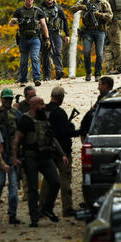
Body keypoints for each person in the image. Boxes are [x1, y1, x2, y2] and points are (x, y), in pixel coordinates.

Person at [12, 96, 69, 227]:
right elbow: (16, 140)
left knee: (55, 182)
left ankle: (47, 209)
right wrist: (15, 158)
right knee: (33, 188)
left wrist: (62, 154)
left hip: (46, 157)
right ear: (34, 106)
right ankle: (34, 217)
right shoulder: (25, 120)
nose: (44, 107)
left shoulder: (44, 119)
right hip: (31, 158)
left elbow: (52, 138)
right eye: (42, 104)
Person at [40, 87, 79, 217]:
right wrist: (78, 132)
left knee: (47, 179)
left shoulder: (43, 110)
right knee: (65, 179)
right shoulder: (60, 113)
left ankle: (42, 208)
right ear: (61, 98)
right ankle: (67, 208)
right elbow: (65, 133)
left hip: (47, 150)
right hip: (62, 151)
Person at [0, 89, 23, 225]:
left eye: (10, 99)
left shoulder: (17, 114)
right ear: (1, 99)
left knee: (13, 188)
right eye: (6, 99)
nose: (8, 101)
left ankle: (12, 214)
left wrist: (20, 156)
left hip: (13, 156)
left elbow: (21, 135)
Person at [70, 0, 113, 82]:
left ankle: (98, 74)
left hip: (100, 31)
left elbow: (110, 16)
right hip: (87, 31)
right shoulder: (85, 1)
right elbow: (72, 9)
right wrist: (82, 7)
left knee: (99, 53)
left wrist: (100, 15)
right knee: (86, 52)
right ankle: (88, 72)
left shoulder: (103, 2)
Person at [9, 0, 50, 87]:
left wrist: (47, 38)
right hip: (23, 38)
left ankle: (37, 79)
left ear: (33, 0)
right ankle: (23, 80)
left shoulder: (38, 11)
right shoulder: (19, 11)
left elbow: (44, 25)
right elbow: (11, 24)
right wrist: (13, 21)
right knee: (24, 60)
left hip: (35, 38)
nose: (29, 0)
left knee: (35, 57)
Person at [40, 0, 70, 81]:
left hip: (56, 33)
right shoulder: (40, 9)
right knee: (46, 54)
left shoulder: (58, 9)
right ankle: (47, 75)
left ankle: (59, 71)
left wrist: (67, 34)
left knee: (57, 52)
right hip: (44, 34)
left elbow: (65, 21)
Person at [79, 76, 114, 143]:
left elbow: (84, 127)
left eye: (99, 85)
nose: (98, 88)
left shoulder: (101, 103)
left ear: (105, 85)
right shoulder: (117, 97)